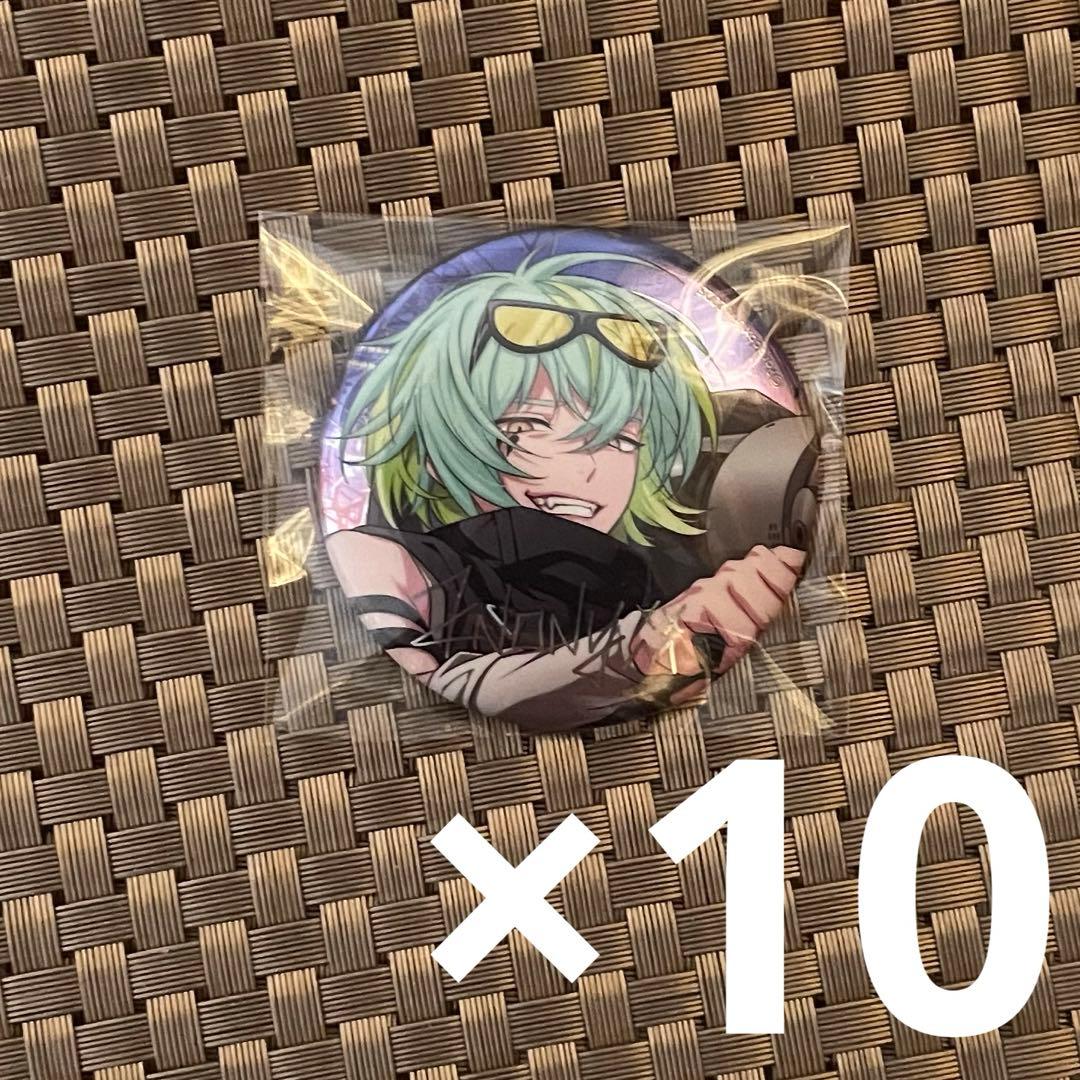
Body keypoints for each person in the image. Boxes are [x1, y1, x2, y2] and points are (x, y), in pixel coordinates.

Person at [324, 249, 803, 728]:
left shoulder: (667, 565)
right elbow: (435, 688)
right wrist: (644, 650)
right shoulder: (388, 562)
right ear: (437, 436)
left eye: (620, 438)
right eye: (527, 426)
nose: (585, 470)